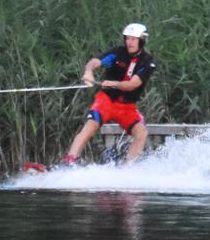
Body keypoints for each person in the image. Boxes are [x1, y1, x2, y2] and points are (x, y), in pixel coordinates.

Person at [62, 23, 156, 165]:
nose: (129, 42)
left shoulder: (147, 62)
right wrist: (89, 72)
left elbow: (132, 84)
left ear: (142, 41)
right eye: (127, 39)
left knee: (141, 132)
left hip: (127, 107)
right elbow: (95, 62)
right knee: (91, 125)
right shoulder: (118, 53)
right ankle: (70, 160)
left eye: (133, 39)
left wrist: (113, 83)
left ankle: (128, 168)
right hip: (106, 100)